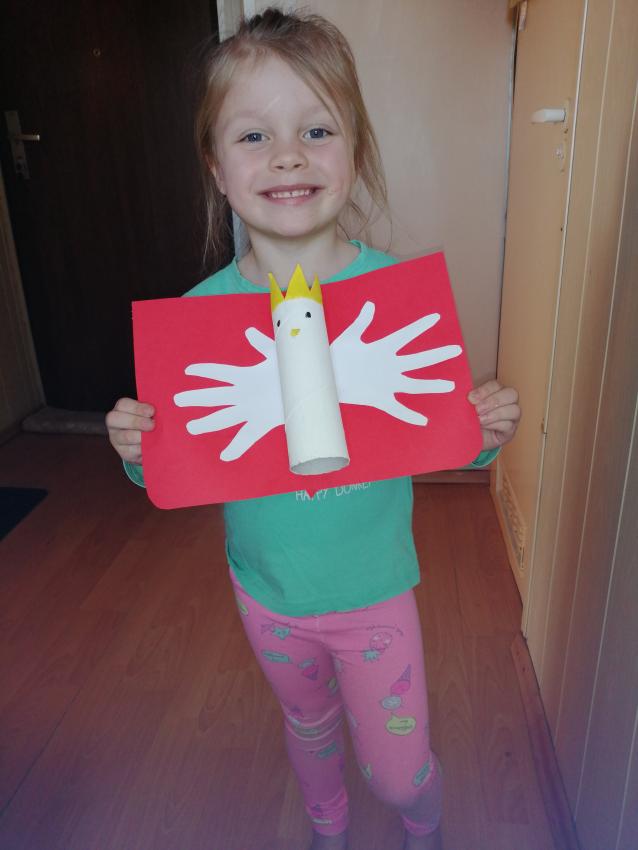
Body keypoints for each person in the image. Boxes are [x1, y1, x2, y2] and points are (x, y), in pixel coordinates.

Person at [106, 9, 520, 850]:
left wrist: (483, 431)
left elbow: (437, 432)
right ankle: (328, 828)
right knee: (308, 723)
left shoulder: (395, 300)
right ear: (217, 167)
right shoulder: (197, 321)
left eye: (317, 130)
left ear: (354, 152)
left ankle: (423, 821)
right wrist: (135, 450)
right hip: (267, 594)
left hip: (374, 592)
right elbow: (176, 463)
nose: (288, 155)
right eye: (254, 136)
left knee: (398, 768)